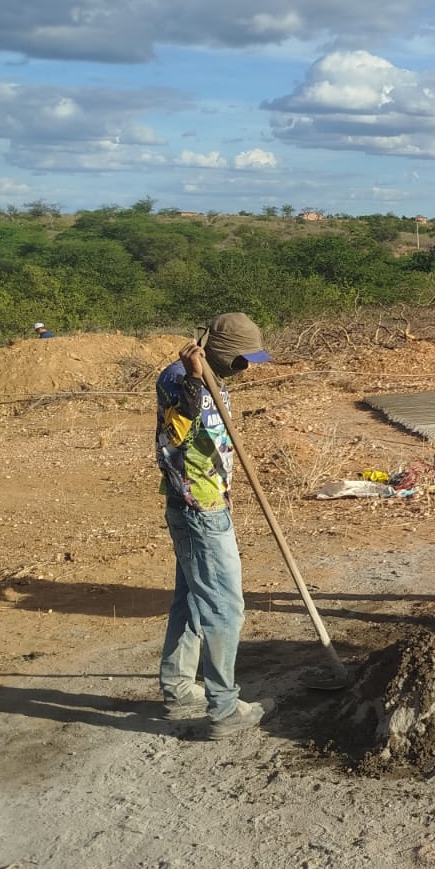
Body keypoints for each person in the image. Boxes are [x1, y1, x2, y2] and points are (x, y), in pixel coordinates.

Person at [155, 312, 275, 740]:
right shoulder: (178, 378)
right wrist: (192, 381)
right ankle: (225, 710)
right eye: (241, 359)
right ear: (221, 350)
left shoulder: (214, 377)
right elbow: (173, 438)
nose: (245, 368)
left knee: (190, 601)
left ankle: (178, 688)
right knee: (225, 608)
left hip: (208, 504)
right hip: (198, 511)